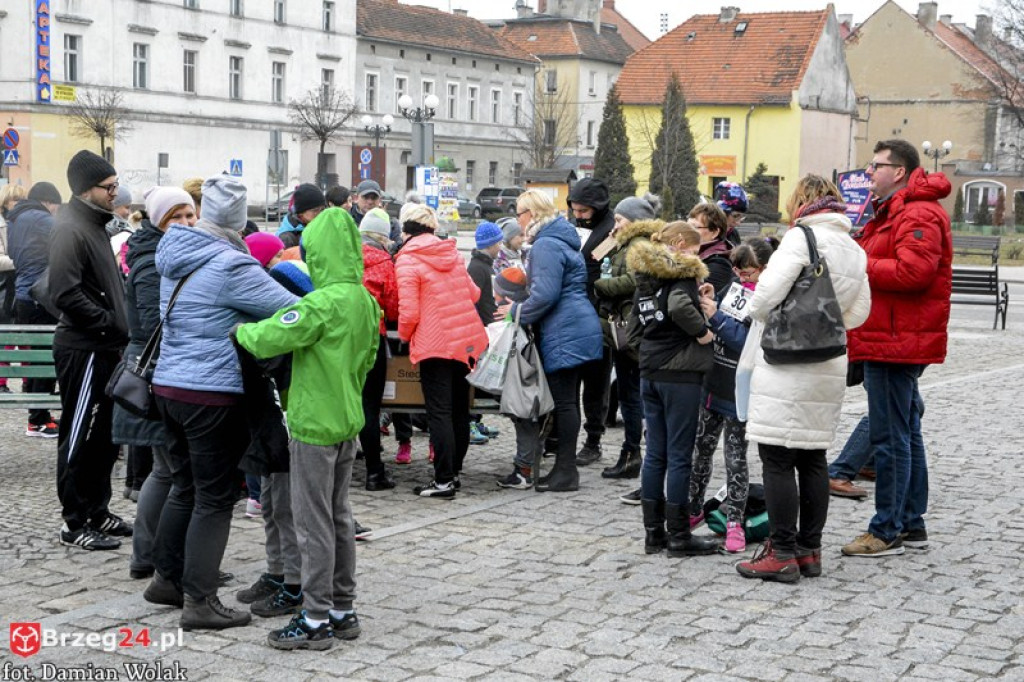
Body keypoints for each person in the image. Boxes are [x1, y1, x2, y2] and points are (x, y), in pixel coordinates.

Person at [142, 176, 298, 630]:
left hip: (169, 386)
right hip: (209, 392)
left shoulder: (177, 254)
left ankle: (166, 580)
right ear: (238, 219)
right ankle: (200, 601)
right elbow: (291, 310)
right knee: (214, 497)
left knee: (184, 486)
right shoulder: (232, 263)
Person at [236, 207, 380, 651]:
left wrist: (240, 330)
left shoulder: (320, 303)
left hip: (314, 425)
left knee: (311, 521)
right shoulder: (364, 301)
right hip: (346, 422)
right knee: (338, 517)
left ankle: (315, 618)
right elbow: (371, 357)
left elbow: (269, 337)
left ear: (317, 253)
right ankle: (342, 607)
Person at [735, 175, 871, 582]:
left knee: (777, 457)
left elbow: (763, 298)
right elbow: (860, 311)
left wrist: (783, 319)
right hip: (827, 359)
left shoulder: (801, 238)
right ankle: (810, 551)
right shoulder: (854, 248)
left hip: (786, 359)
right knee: (812, 456)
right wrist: (823, 324)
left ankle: (781, 552)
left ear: (803, 202)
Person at [841, 139, 952, 558]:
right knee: (906, 434)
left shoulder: (918, 212)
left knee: (891, 439)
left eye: (876, 166)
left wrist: (857, 264)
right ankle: (911, 524)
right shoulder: (894, 209)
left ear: (899, 171)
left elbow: (914, 272)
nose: (869, 173)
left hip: (896, 340)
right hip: (889, 336)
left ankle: (886, 529)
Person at [48, 151, 132, 551]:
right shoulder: (70, 228)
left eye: (115, 185)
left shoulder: (96, 225)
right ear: (86, 190)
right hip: (83, 349)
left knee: (103, 438)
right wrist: (107, 321)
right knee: (80, 434)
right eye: (108, 187)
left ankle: (99, 511)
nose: (115, 193)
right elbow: (64, 292)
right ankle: (74, 521)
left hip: (105, 347)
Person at [115, 186, 197, 578]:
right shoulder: (151, 258)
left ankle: (152, 556)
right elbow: (151, 324)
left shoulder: (162, 250)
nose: (184, 224)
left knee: (166, 469)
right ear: (158, 221)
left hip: (163, 368)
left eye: (189, 216)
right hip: (156, 370)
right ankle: (155, 558)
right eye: (175, 218)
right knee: (169, 470)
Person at [628, 222, 719, 557]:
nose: (696, 259)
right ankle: (680, 536)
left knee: (655, 453)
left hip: (649, 370)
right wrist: (703, 333)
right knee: (680, 456)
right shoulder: (679, 274)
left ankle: (654, 534)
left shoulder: (645, 277)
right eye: (695, 252)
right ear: (681, 244)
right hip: (679, 375)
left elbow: (635, 325)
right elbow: (680, 306)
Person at [510, 190, 602, 492]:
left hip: (566, 327)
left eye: (520, 213)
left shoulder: (546, 245)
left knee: (564, 403)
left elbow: (546, 294)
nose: (518, 219)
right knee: (566, 401)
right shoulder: (557, 239)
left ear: (532, 213)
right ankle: (563, 469)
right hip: (574, 323)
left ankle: (566, 472)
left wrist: (515, 312)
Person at [689, 237, 777, 554]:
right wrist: (714, 299)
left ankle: (735, 522)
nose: (743, 278)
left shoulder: (766, 300)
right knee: (700, 452)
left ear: (765, 269)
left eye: (749, 273)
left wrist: (715, 316)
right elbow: (723, 312)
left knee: (735, 460)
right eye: (739, 273)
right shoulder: (737, 288)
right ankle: (693, 508)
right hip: (714, 382)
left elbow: (744, 339)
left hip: (740, 392)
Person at [395, 204, 488, 498]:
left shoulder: (407, 260)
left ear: (405, 230)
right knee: (460, 409)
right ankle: (455, 472)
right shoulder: (451, 253)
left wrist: (407, 338)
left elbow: (408, 313)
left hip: (434, 343)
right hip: (463, 342)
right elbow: (474, 293)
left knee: (439, 412)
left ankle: (444, 480)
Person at [593, 194, 662, 481]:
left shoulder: (640, 244)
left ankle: (632, 452)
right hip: (622, 327)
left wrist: (601, 286)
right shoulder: (625, 241)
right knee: (630, 393)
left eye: (620, 220)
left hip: (629, 329)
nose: (615, 224)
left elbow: (636, 282)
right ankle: (630, 451)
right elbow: (595, 257)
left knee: (631, 396)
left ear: (634, 221)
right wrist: (611, 239)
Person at [565, 178, 616, 466]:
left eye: (584, 211)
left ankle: (593, 439)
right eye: (575, 210)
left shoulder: (610, 232)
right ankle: (564, 437)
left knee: (595, 385)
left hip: (597, 316)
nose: (578, 216)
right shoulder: (576, 226)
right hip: (573, 314)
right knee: (571, 381)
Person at [6, 182, 62, 434]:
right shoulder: (39, 217)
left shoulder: (16, 219)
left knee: (41, 357)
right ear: (48, 202)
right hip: (41, 295)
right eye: (56, 207)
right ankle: (38, 419)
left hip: (24, 295)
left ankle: (40, 415)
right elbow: (68, 239)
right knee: (47, 359)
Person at [356, 208, 399, 491]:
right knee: (370, 407)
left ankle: (340, 467)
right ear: (384, 237)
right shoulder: (385, 263)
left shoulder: (344, 258)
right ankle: (374, 472)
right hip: (372, 336)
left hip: (340, 337)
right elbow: (394, 307)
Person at [492, 267, 538, 489]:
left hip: (520, 378)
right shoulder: (525, 310)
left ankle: (523, 471)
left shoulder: (511, 315)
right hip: (524, 376)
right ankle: (524, 467)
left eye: (497, 292)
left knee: (524, 419)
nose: (494, 297)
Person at [0, 184, 28, 385]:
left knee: (26, 333)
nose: (18, 204)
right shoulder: (1, 224)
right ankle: (2, 383)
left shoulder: (24, 222)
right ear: (5, 202)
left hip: (22, 283)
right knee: (7, 336)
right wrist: (21, 260)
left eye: (21, 200)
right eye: (14, 200)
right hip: (4, 286)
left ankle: (30, 381)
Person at [690, 203, 734, 295]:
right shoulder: (692, 253)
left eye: (694, 227)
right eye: (687, 226)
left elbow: (695, 296)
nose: (687, 231)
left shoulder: (720, 264)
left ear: (714, 232)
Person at [277, 184, 326, 249]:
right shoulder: (286, 238)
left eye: (322, 209)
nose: (320, 214)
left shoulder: (318, 226)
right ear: (301, 213)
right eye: (315, 210)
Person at [715, 181, 749, 247]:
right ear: (721, 213)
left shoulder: (733, 233)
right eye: (735, 216)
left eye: (741, 217)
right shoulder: (705, 234)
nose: (738, 223)